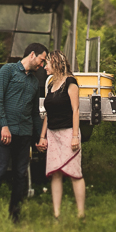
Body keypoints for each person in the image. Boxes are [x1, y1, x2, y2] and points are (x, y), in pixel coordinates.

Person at [0, 42, 49, 223]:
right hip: (4, 132)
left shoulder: (35, 82)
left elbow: (34, 113)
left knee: (20, 175)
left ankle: (15, 215)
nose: (42, 65)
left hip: (24, 134)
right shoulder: (8, 70)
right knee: (0, 170)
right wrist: (4, 125)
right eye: (42, 60)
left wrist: (40, 138)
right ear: (32, 54)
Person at [39, 50, 86, 219]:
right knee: (55, 174)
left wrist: (75, 136)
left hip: (68, 133)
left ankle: (81, 214)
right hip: (53, 134)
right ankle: (57, 215)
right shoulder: (51, 84)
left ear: (56, 63)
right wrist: (42, 136)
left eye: (48, 63)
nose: (45, 67)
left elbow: (75, 110)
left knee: (75, 173)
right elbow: (48, 113)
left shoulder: (70, 83)